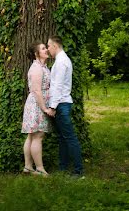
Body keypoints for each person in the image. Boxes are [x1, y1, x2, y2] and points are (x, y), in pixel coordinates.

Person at [47, 35, 84, 177]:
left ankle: (78, 171)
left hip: (61, 104)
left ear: (55, 46)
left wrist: (53, 107)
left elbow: (58, 86)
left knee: (70, 137)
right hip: (61, 104)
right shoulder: (61, 60)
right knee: (63, 137)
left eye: (49, 46)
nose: (48, 49)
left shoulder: (62, 62)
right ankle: (63, 167)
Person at [21, 42, 54, 176]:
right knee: (38, 136)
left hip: (37, 104)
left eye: (46, 48)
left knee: (32, 135)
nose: (46, 50)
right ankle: (39, 169)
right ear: (36, 54)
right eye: (43, 48)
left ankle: (28, 167)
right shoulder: (36, 68)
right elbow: (36, 90)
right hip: (37, 105)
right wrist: (45, 108)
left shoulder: (43, 67)